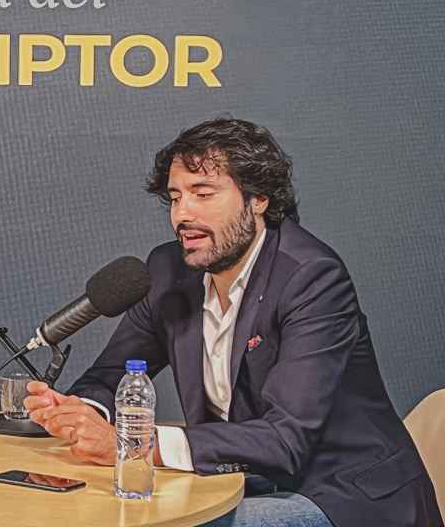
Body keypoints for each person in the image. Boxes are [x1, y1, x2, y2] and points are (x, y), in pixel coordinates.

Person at [25, 118, 442, 527]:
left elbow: (285, 440)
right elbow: (112, 374)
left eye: (203, 194)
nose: (182, 215)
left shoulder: (311, 277)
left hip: (341, 494)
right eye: (175, 197)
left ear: (258, 199)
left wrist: (134, 443)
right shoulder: (169, 270)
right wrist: (80, 414)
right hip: (242, 477)